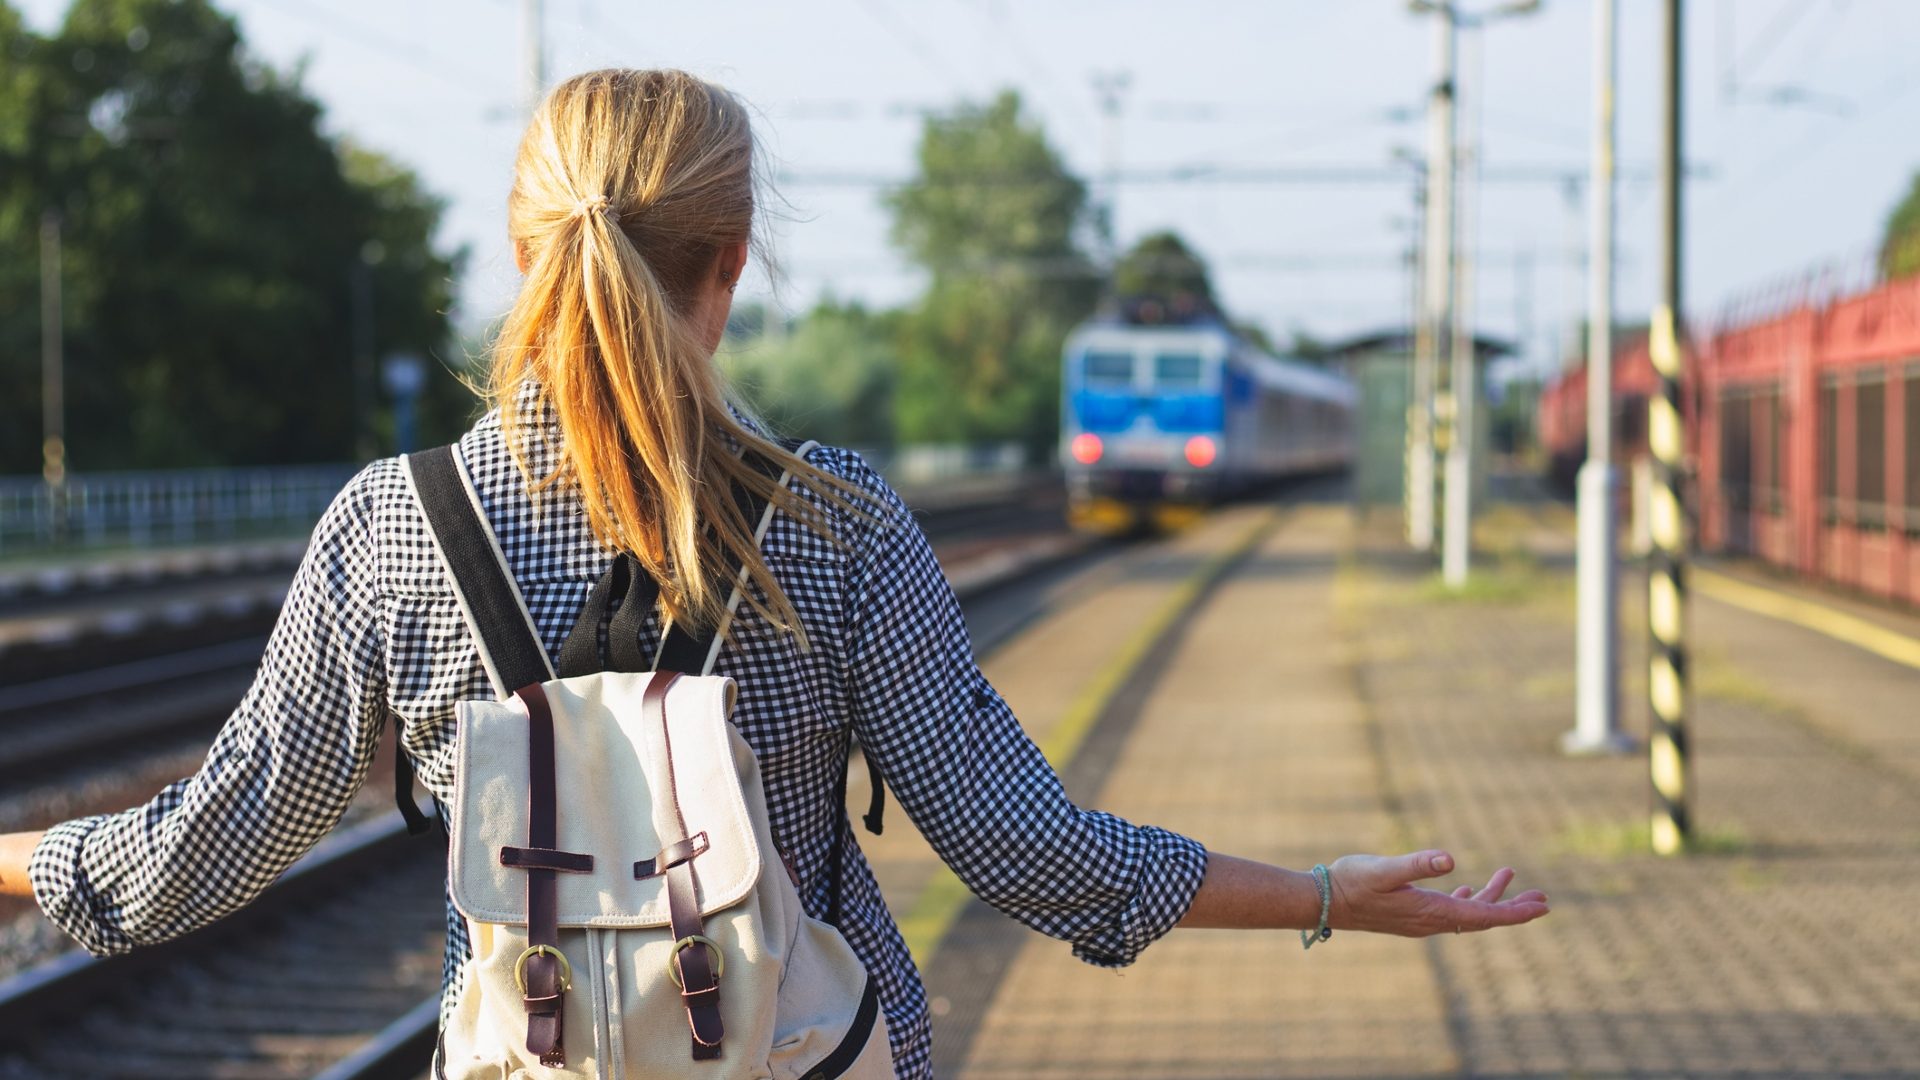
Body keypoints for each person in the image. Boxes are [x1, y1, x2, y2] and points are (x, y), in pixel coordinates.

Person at [0, 68, 1547, 1078]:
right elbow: (1032, 853)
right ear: (730, 266)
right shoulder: (837, 522)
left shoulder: (390, 532)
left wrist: (13, 862)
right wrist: (1326, 898)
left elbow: (194, 857)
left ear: (526, 258)